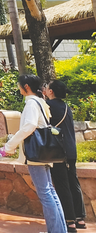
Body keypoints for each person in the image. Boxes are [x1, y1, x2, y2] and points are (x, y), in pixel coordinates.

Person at [0, 74, 67, 233]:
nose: (18, 87)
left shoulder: (31, 104)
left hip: (35, 154)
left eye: (19, 85)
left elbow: (29, 127)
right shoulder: (41, 102)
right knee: (50, 192)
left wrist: (9, 146)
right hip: (44, 151)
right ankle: (59, 230)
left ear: (26, 87)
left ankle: (55, 231)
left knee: (46, 193)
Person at [45, 79, 87, 232]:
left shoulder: (49, 106)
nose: (45, 88)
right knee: (73, 182)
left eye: (47, 87)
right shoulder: (65, 106)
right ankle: (80, 218)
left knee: (62, 186)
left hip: (58, 151)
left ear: (51, 91)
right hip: (70, 150)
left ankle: (69, 222)